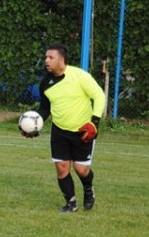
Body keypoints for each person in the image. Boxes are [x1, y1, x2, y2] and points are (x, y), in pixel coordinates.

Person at [24, 44, 107, 212]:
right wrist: (33, 125)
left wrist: (94, 122)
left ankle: (88, 189)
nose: (46, 60)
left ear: (61, 60)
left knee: (81, 170)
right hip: (59, 131)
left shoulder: (79, 76)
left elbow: (99, 95)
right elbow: (45, 109)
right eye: (46, 57)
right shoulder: (45, 83)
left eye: (51, 57)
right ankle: (71, 203)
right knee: (62, 168)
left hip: (83, 130)